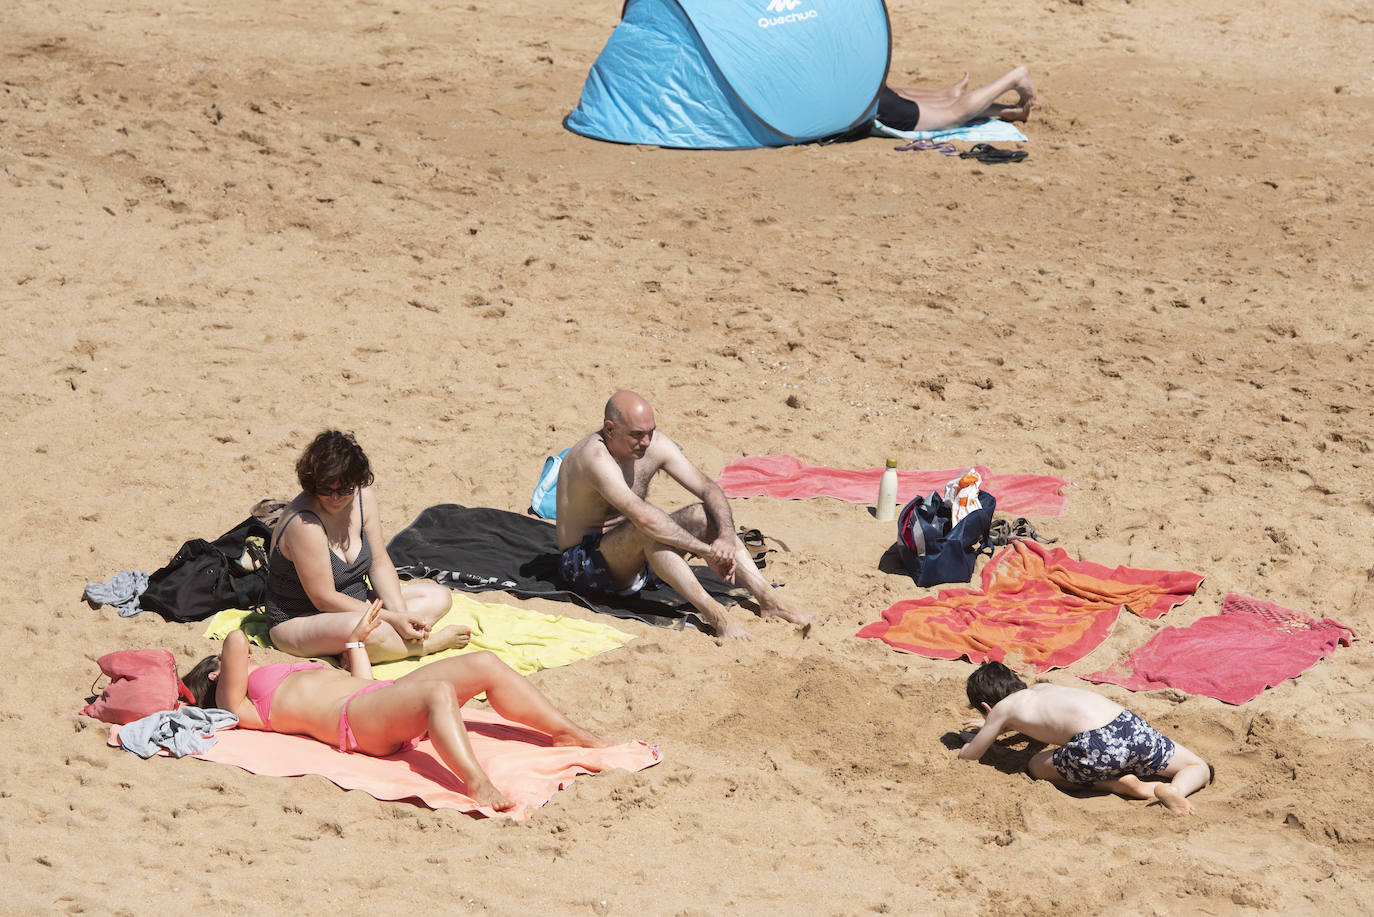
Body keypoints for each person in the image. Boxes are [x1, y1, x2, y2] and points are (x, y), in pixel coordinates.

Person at [183, 606, 612, 811]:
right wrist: (218, 664)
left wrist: (355, 641)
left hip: (373, 700)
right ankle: (477, 783)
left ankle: (564, 731)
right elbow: (237, 641)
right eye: (230, 665)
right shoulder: (238, 705)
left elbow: (362, 685)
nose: (249, 659)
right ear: (219, 676)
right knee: (438, 692)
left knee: (485, 664)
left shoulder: (272, 681)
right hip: (355, 723)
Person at [555, 390, 812, 641]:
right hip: (586, 567)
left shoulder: (653, 445)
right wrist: (704, 550)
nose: (646, 442)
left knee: (702, 514)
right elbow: (643, 518)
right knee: (647, 526)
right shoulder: (595, 457)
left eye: (650, 432)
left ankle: (768, 598)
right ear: (610, 430)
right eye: (636, 435)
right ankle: (717, 617)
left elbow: (708, 488)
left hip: (638, 556)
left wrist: (723, 536)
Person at [264, 430, 465, 662]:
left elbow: (379, 563)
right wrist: (391, 619)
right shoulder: (305, 523)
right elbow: (324, 598)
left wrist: (401, 614)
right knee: (371, 630)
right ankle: (426, 646)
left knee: (438, 596)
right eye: (326, 490)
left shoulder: (363, 497)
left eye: (345, 490)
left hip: (357, 604)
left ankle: (359, 649)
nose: (336, 498)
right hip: (301, 618)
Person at [956, 662, 1210, 815]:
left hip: (1097, 745)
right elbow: (1042, 723)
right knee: (1197, 766)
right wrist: (994, 724)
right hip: (1129, 725)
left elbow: (970, 756)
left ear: (986, 706)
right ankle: (1176, 790)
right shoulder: (1043, 689)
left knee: (1035, 765)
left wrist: (978, 733)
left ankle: (1115, 785)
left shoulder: (1001, 710)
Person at [879, 67, 1035, 131]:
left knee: (951, 115)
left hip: (870, 105)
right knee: (890, 94)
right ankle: (1010, 111)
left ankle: (1014, 79)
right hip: (867, 92)